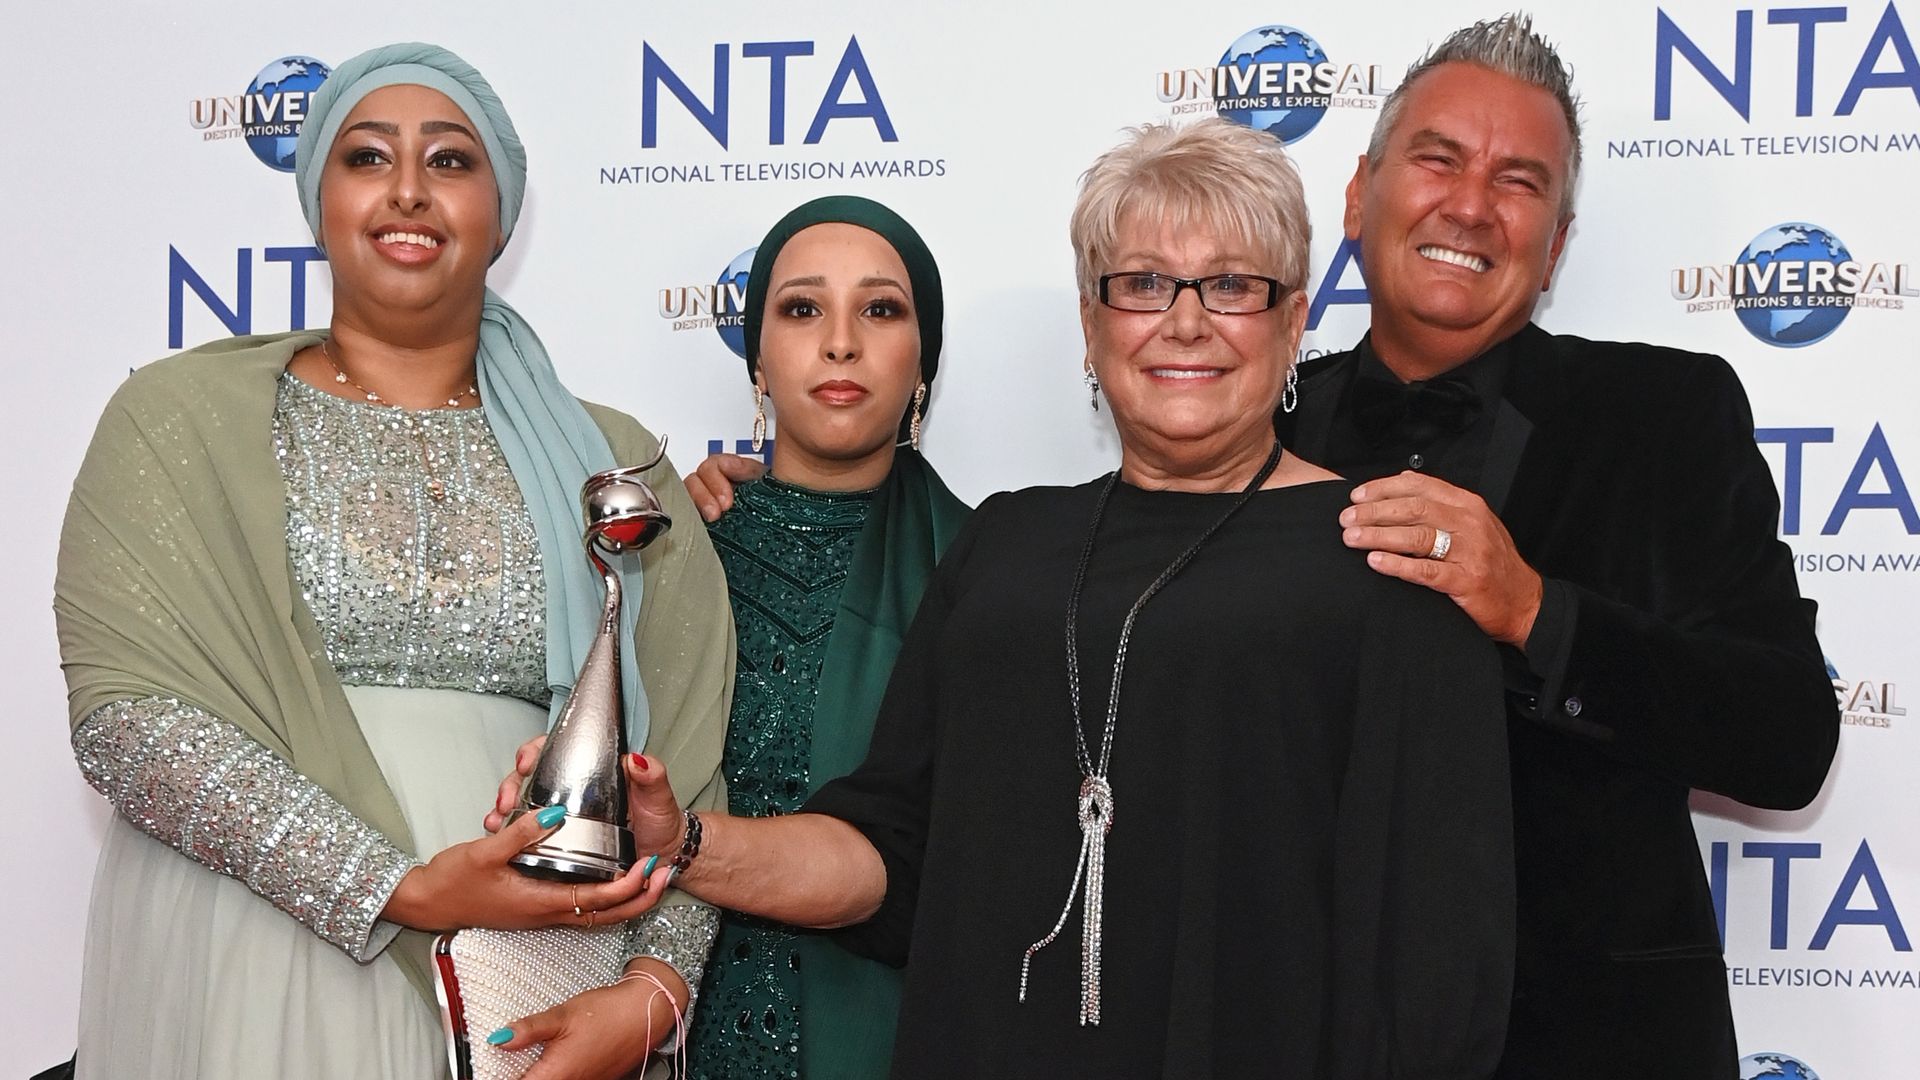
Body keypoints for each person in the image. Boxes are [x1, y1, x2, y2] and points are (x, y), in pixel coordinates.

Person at [499, 118, 1516, 1078]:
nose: (1186, 321)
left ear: (1294, 320)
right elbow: (886, 854)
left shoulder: (1386, 562)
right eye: (1144, 283)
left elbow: (1437, 960)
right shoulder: (1007, 545)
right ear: (1090, 323)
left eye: (1233, 285)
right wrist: (683, 843)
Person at [54, 43, 730, 1080]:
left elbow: (685, 762)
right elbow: (130, 723)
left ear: (502, 217)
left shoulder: (612, 462)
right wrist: (398, 886)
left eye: (452, 162)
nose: (409, 189)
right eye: (367, 158)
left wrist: (653, 992)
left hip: (533, 969)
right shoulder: (177, 421)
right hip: (260, 944)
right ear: (317, 198)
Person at [1278, 15, 1838, 1078]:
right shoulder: (1263, 431)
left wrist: (1536, 611)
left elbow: (1788, 739)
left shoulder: (1664, 416)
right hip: (1302, 1030)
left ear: (1557, 243)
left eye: (1519, 181)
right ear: (1359, 194)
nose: (1471, 205)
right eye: (1438, 159)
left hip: (1588, 1041)